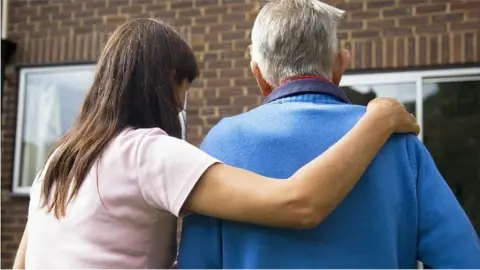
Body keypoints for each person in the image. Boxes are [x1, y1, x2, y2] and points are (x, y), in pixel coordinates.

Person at [13, 18, 419, 269]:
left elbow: (23, 262)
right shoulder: (147, 152)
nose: (183, 101)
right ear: (168, 82)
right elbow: (299, 203)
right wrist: (377, 120)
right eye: (185, 85)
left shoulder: (59, 161)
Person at [178, 1, 480, 269]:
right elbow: (463, 260)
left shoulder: (221, 144)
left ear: (258, 74)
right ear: (340, 64)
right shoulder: (396, 139)